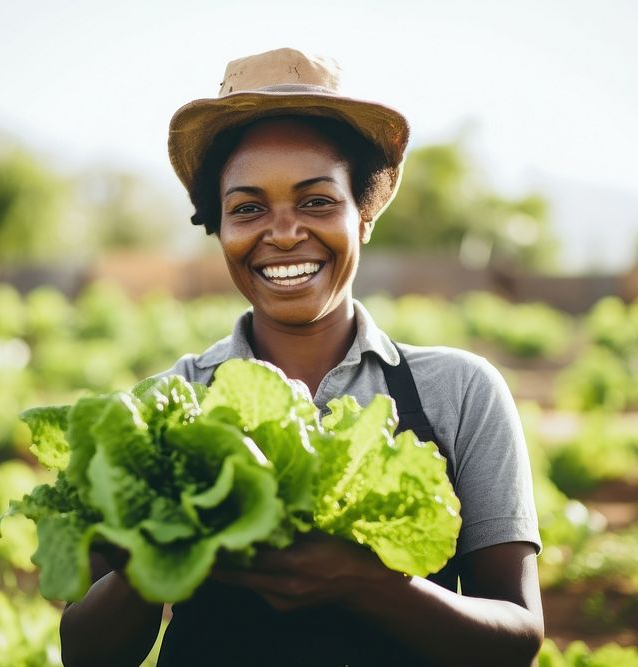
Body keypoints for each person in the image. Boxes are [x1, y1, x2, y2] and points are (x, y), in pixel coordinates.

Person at [60, 47, 544, 667]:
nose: (284, 232)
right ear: (217, 227)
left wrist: (366, 582)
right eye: (248, 208)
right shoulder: (161, 411)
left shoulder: (460, 391)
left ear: (363, 216)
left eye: (317, 201)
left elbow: (517, 636)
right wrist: (160, 548)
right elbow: (85, 653)